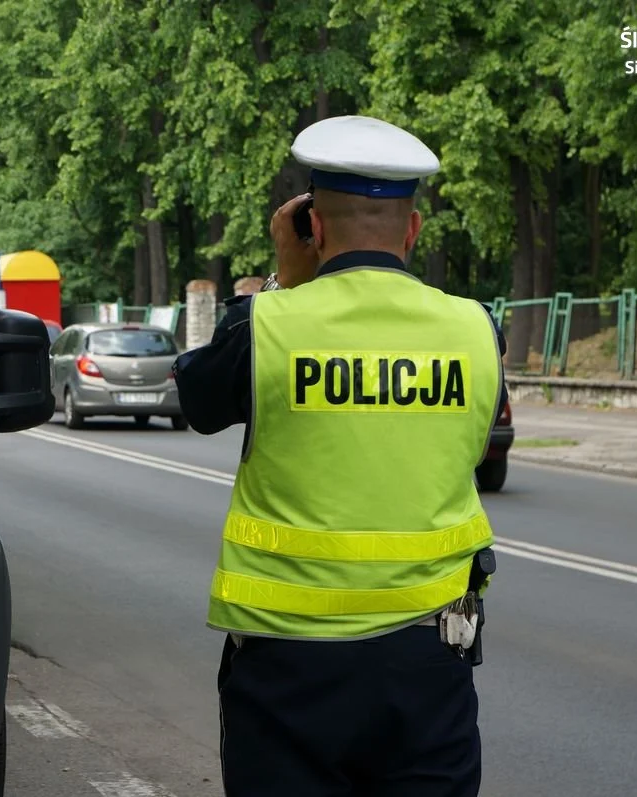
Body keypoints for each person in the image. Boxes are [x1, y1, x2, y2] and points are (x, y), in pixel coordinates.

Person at [172, 115, 507, 797]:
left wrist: (281, 283)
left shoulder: (264, 324)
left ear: (312, 230)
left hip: (287, 676)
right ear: (411, 232)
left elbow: (198, 403)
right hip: (427, 668)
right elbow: (471, 448)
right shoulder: (476, 328)